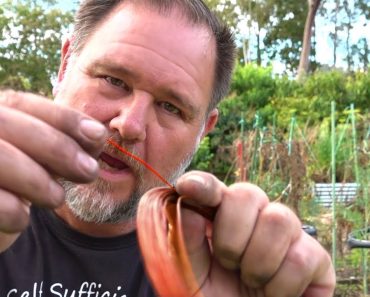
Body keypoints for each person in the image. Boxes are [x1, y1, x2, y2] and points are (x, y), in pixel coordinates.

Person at [0, 0, 335, 296]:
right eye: (113, 80)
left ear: (205, 129)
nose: (129, 126)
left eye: (171, 107)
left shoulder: (212, 267)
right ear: (64, 67)